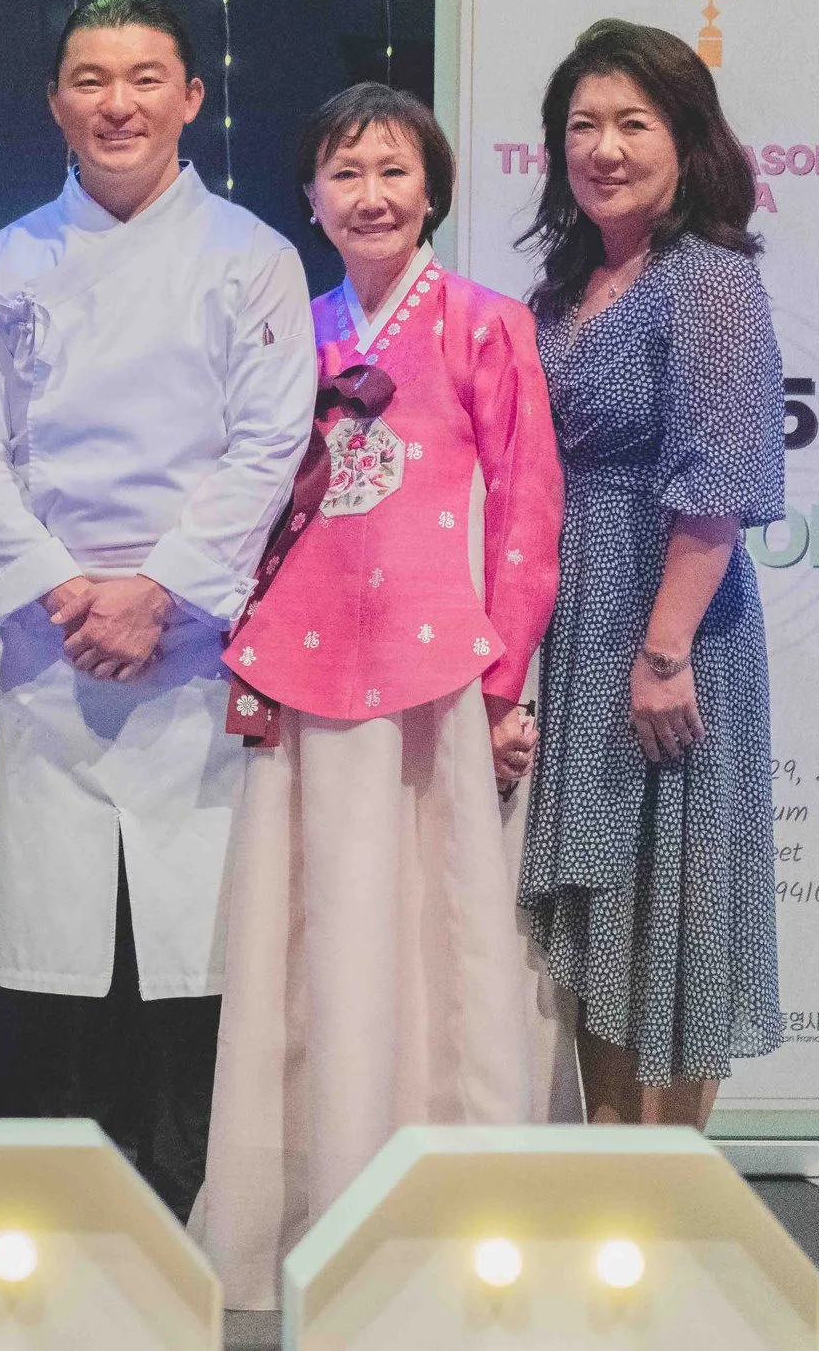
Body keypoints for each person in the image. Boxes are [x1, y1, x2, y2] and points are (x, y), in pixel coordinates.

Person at [0, 0, 314, 1219]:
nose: (118, 103)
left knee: (194, 933)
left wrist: (158, 591)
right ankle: (71, 1202)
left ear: (191, 97)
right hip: (52, 635)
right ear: (54, 102)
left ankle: (193, 1195)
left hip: (198, 634)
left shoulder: (252, 254)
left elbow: (268, 445)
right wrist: (62, 589)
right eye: (90, 79)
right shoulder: (0, 262)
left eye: (145, 77)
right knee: (60, 932)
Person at [186, 85, 563, 1305]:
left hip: (439, 681)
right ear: (308, 198)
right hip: (306, 678)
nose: (370, 195)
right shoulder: (291, 331)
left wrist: (504, 683)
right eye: (344, 173)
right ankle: (307, 1209)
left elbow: (526, 509)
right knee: (308, 930)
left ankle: (450, 1206)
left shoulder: (483, 325)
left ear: (434, 189)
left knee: (442, 923)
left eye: (393, 170)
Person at [518, 19, 786, 1126]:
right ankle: (604, 1182)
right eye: (582, 124)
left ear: (684, 139)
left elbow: (717, 480)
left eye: (633, 122)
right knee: (599, 909)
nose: (605, 147)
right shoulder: (563, 287)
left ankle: (666, 1197)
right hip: (572, 625)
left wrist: (663, 652)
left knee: (670, 904)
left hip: (669, 629)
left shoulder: (706, 281)